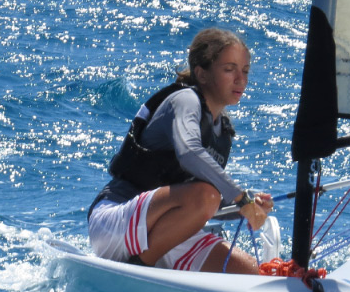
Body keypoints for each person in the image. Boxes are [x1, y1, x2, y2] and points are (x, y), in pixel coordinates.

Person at [87, 27, 279, 274]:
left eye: (245, 71)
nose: (240, 79)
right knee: (207, 194)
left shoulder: (222, 132)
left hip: (163, 234)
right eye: (229, 69)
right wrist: (239, 197)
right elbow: (189, 153)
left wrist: (244, 207)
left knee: (258, 274)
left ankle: (147, 262)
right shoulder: (185, 100)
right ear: (202, 73)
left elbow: (205, 206)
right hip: (116, 221)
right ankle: (138, 268)